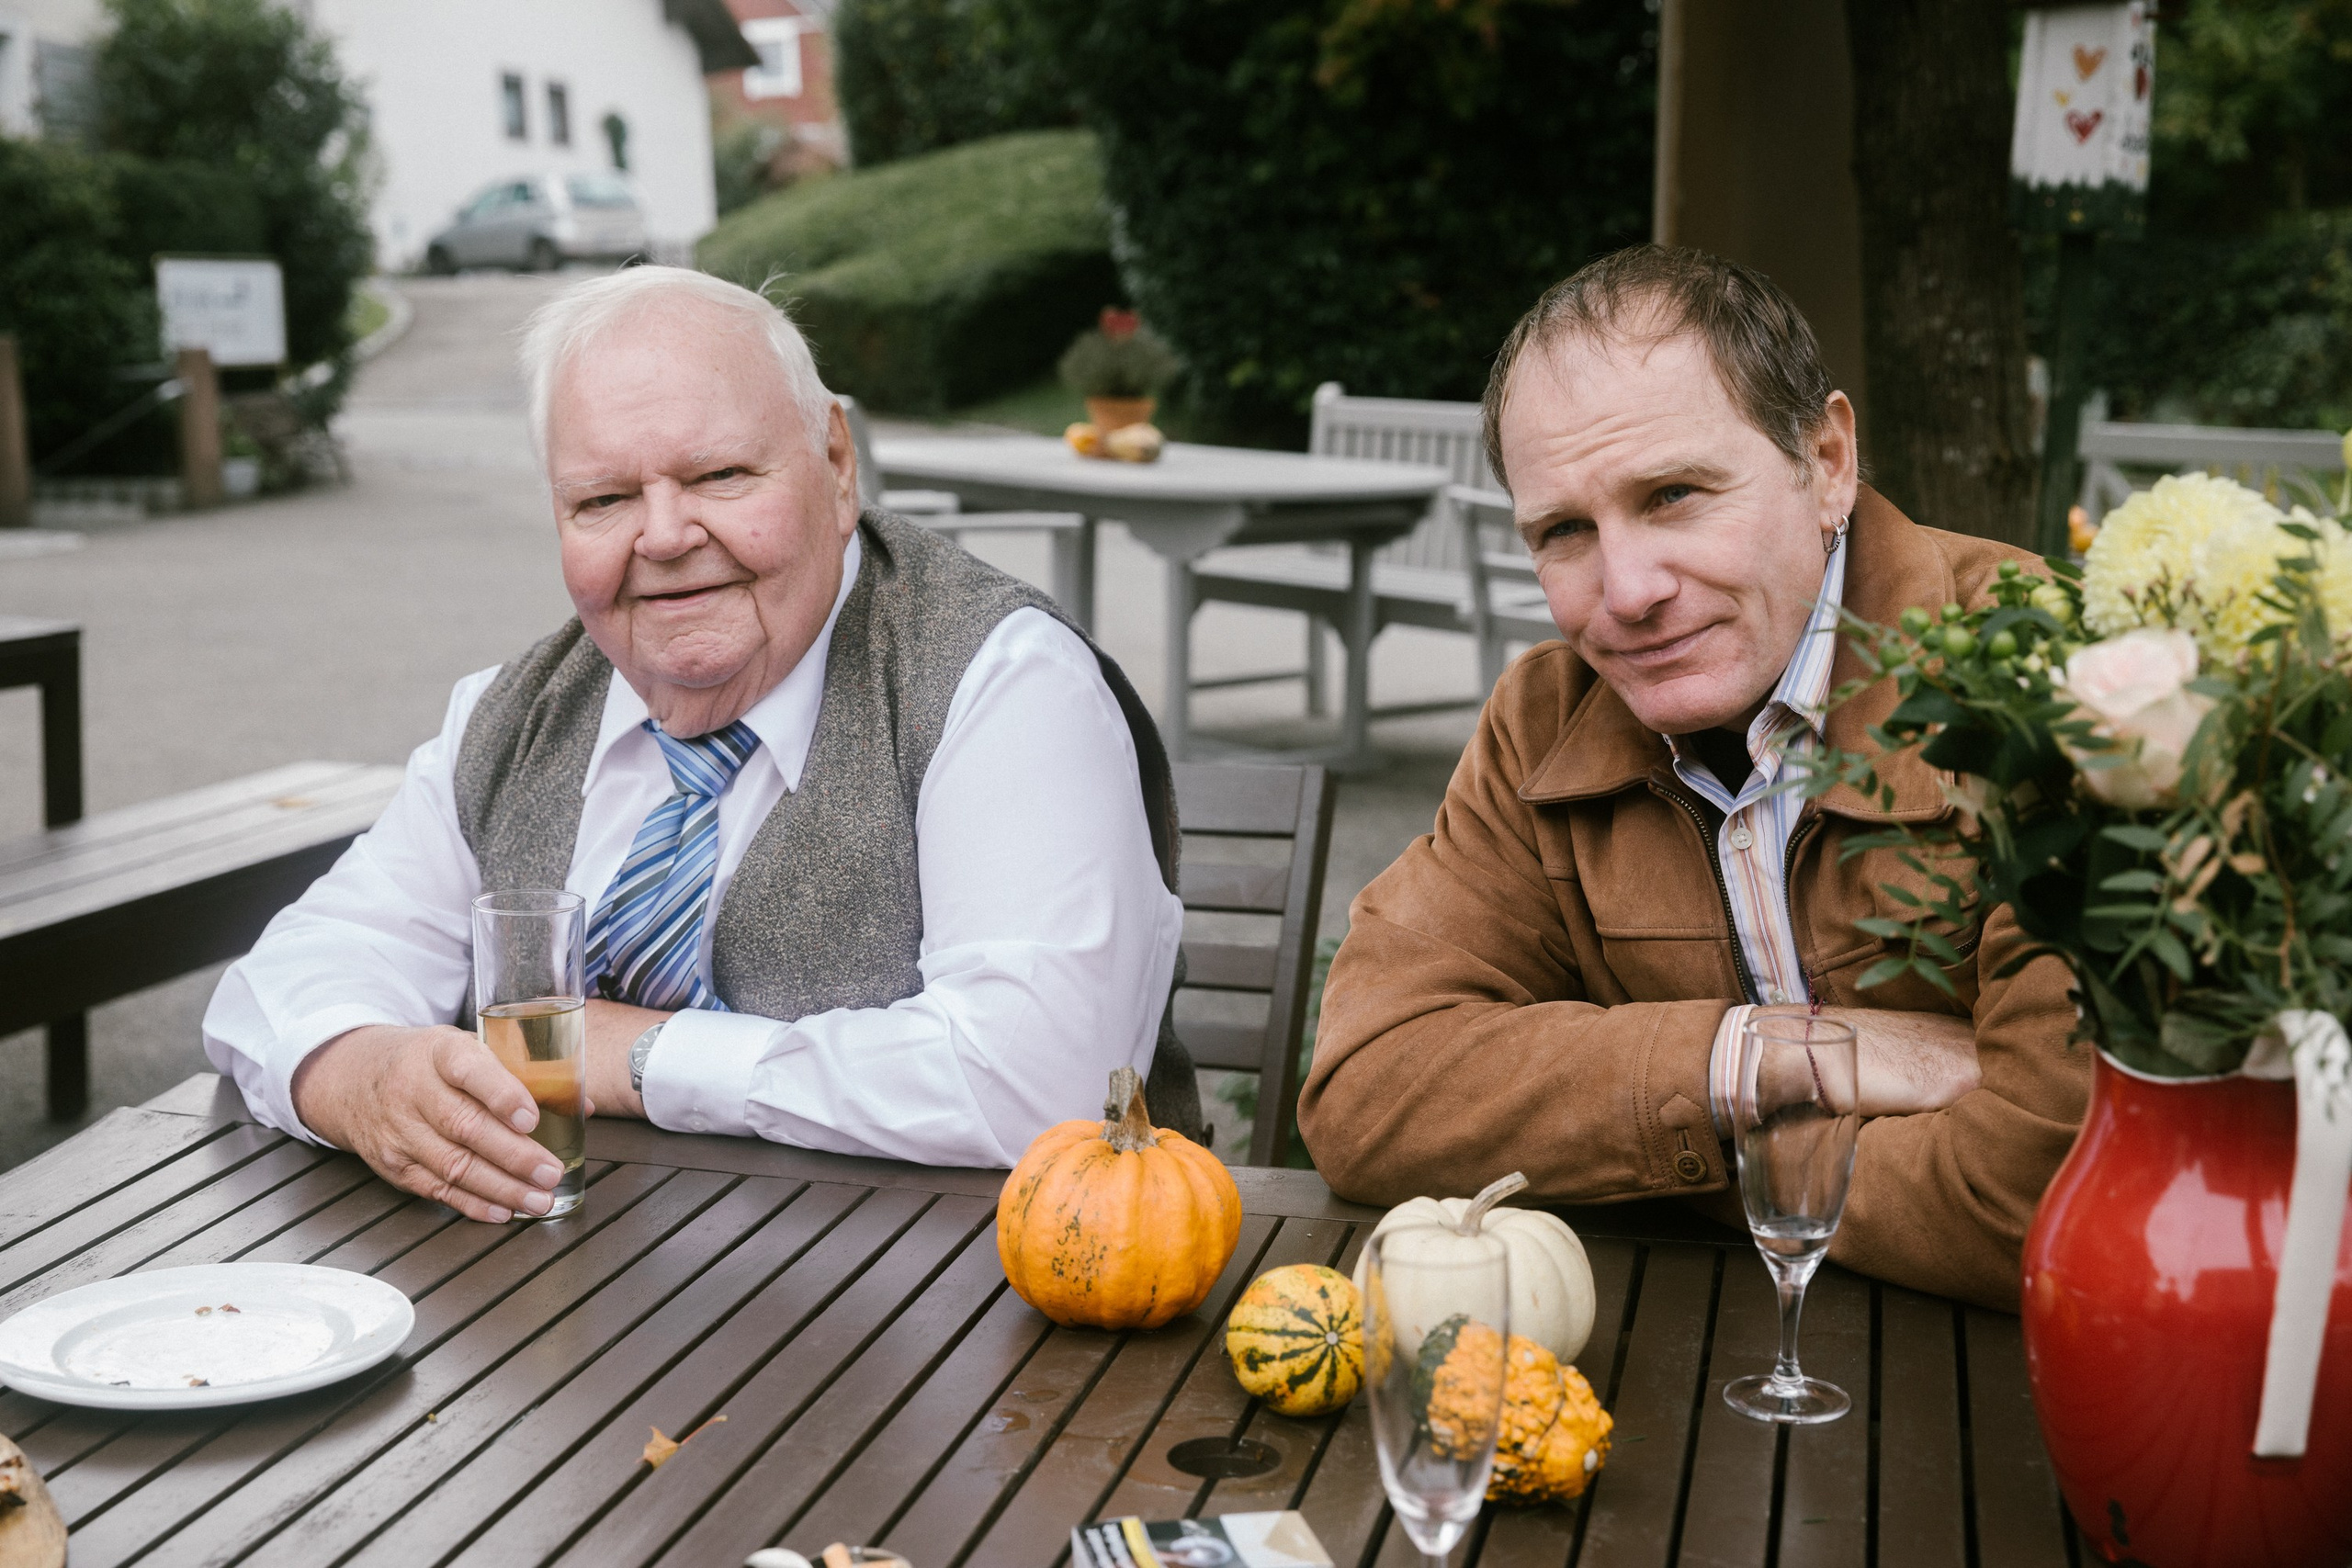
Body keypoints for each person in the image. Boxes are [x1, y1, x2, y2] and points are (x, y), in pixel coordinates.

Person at [204, 266, 1192, 1223]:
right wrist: (357, 1070)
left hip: (960, 1307)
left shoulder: (999, 678)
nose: (666, 536)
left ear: (836, 464)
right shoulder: (509, 716)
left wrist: (632, 1055)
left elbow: (1042, 1081)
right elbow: (286, 976)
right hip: (551, 1305)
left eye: (719, 476)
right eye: (603, 499)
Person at [1295, 247, 2086, 1309]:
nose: (1626, 592)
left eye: (1672, 494)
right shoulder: (1547, 721)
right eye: (1564, 531)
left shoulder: (2052, 682)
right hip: (1685, 1362)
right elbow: (1369, 1096)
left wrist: (1643, 1153)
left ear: (1828, 461)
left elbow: (2042, 1197)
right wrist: (1762, 1061)